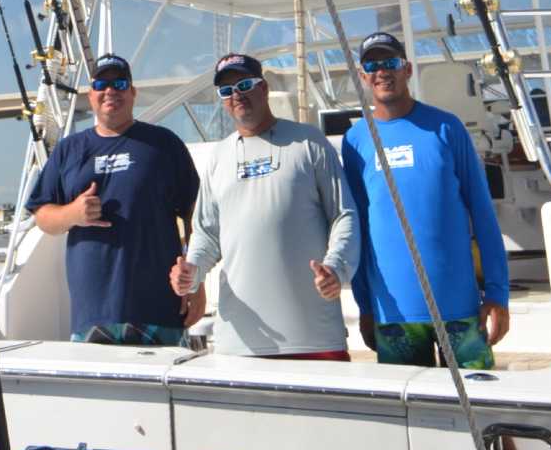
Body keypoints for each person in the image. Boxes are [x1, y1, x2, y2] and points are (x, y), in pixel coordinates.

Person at [171, 51, 357, 358]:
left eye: (245, 84)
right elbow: (206, 234)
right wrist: (192, 272)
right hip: (241, 344)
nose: (237, 95)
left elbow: (343, 215)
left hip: (315, 339)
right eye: (227, 91)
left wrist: (336, 268)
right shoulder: (218, 156)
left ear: (263, 88)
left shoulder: (309, 143)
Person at [341, 31, 511, 369]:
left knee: (478, 406)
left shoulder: (446, 128)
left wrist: (497, 293)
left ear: (407, 69)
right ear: (363, 76)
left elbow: (482, 213)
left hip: (460, 311)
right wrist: (365, 306)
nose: (382, 72)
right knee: (411, 419)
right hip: (394, 315)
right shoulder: (355, 140)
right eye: (372, 65)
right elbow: (357, 226)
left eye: (390, 62)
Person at [27, 53, 201, 346]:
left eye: (119, 84)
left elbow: (196, 217)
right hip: (93, 313)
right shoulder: (69, 149)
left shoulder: (164, 144)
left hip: (160, 306)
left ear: (132, 93)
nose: (111, 91)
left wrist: (197, 284)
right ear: (90, 94)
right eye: (101, 84)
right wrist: (73, 214)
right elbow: (43, 216)